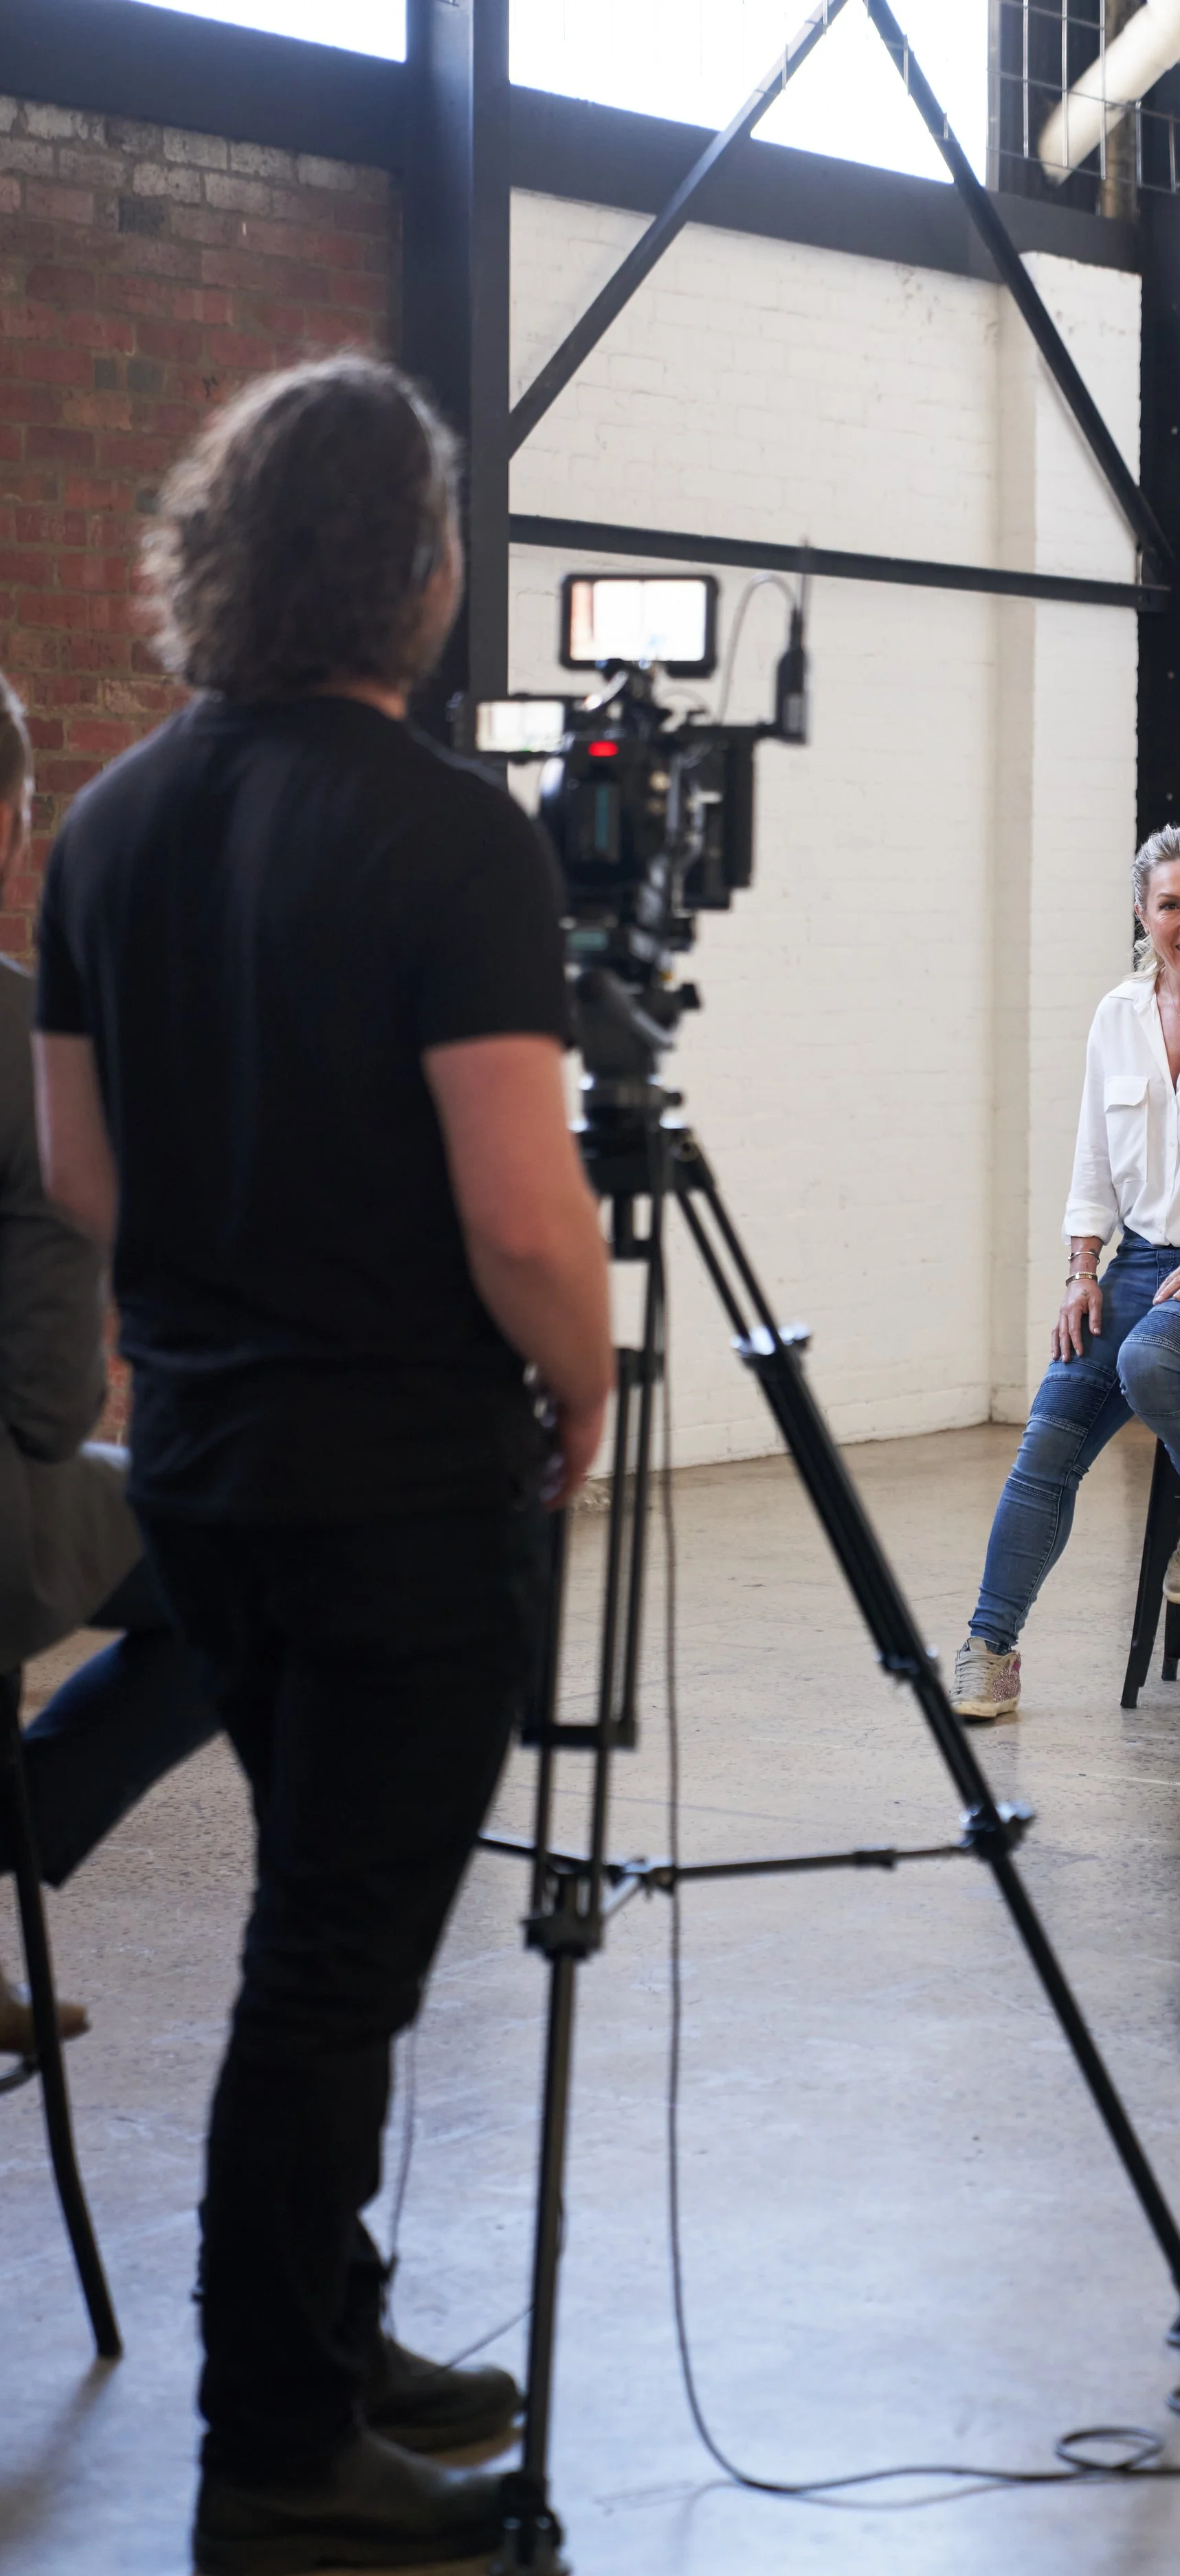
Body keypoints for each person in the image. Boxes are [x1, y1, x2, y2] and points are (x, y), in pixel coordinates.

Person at [32, 357, 614, 2576]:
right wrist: (588, 1376)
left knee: (323, 1913)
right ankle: (278, 2444)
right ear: (422, 569)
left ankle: (340, 2337)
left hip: (201, 1463)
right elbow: (522, 1212)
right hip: (397, 1488)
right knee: (332, 1966)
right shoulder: (454, 834)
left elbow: (87, 1178)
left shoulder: (108, 824)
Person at [951, 825, 1180, 1722]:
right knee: (1046, 1447)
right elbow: (1093, 1160)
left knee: (1151, 1360)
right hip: (1139, 1262)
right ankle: (989, 1651)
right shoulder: (1117, 1015)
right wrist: (1082, 1271)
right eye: (1171, 905)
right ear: (1142, 913)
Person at [0, 675, 218, 2052]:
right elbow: (46, 1402)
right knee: (239, 1557)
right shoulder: (28, 1047)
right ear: (6, 822)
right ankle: (15, 1829)